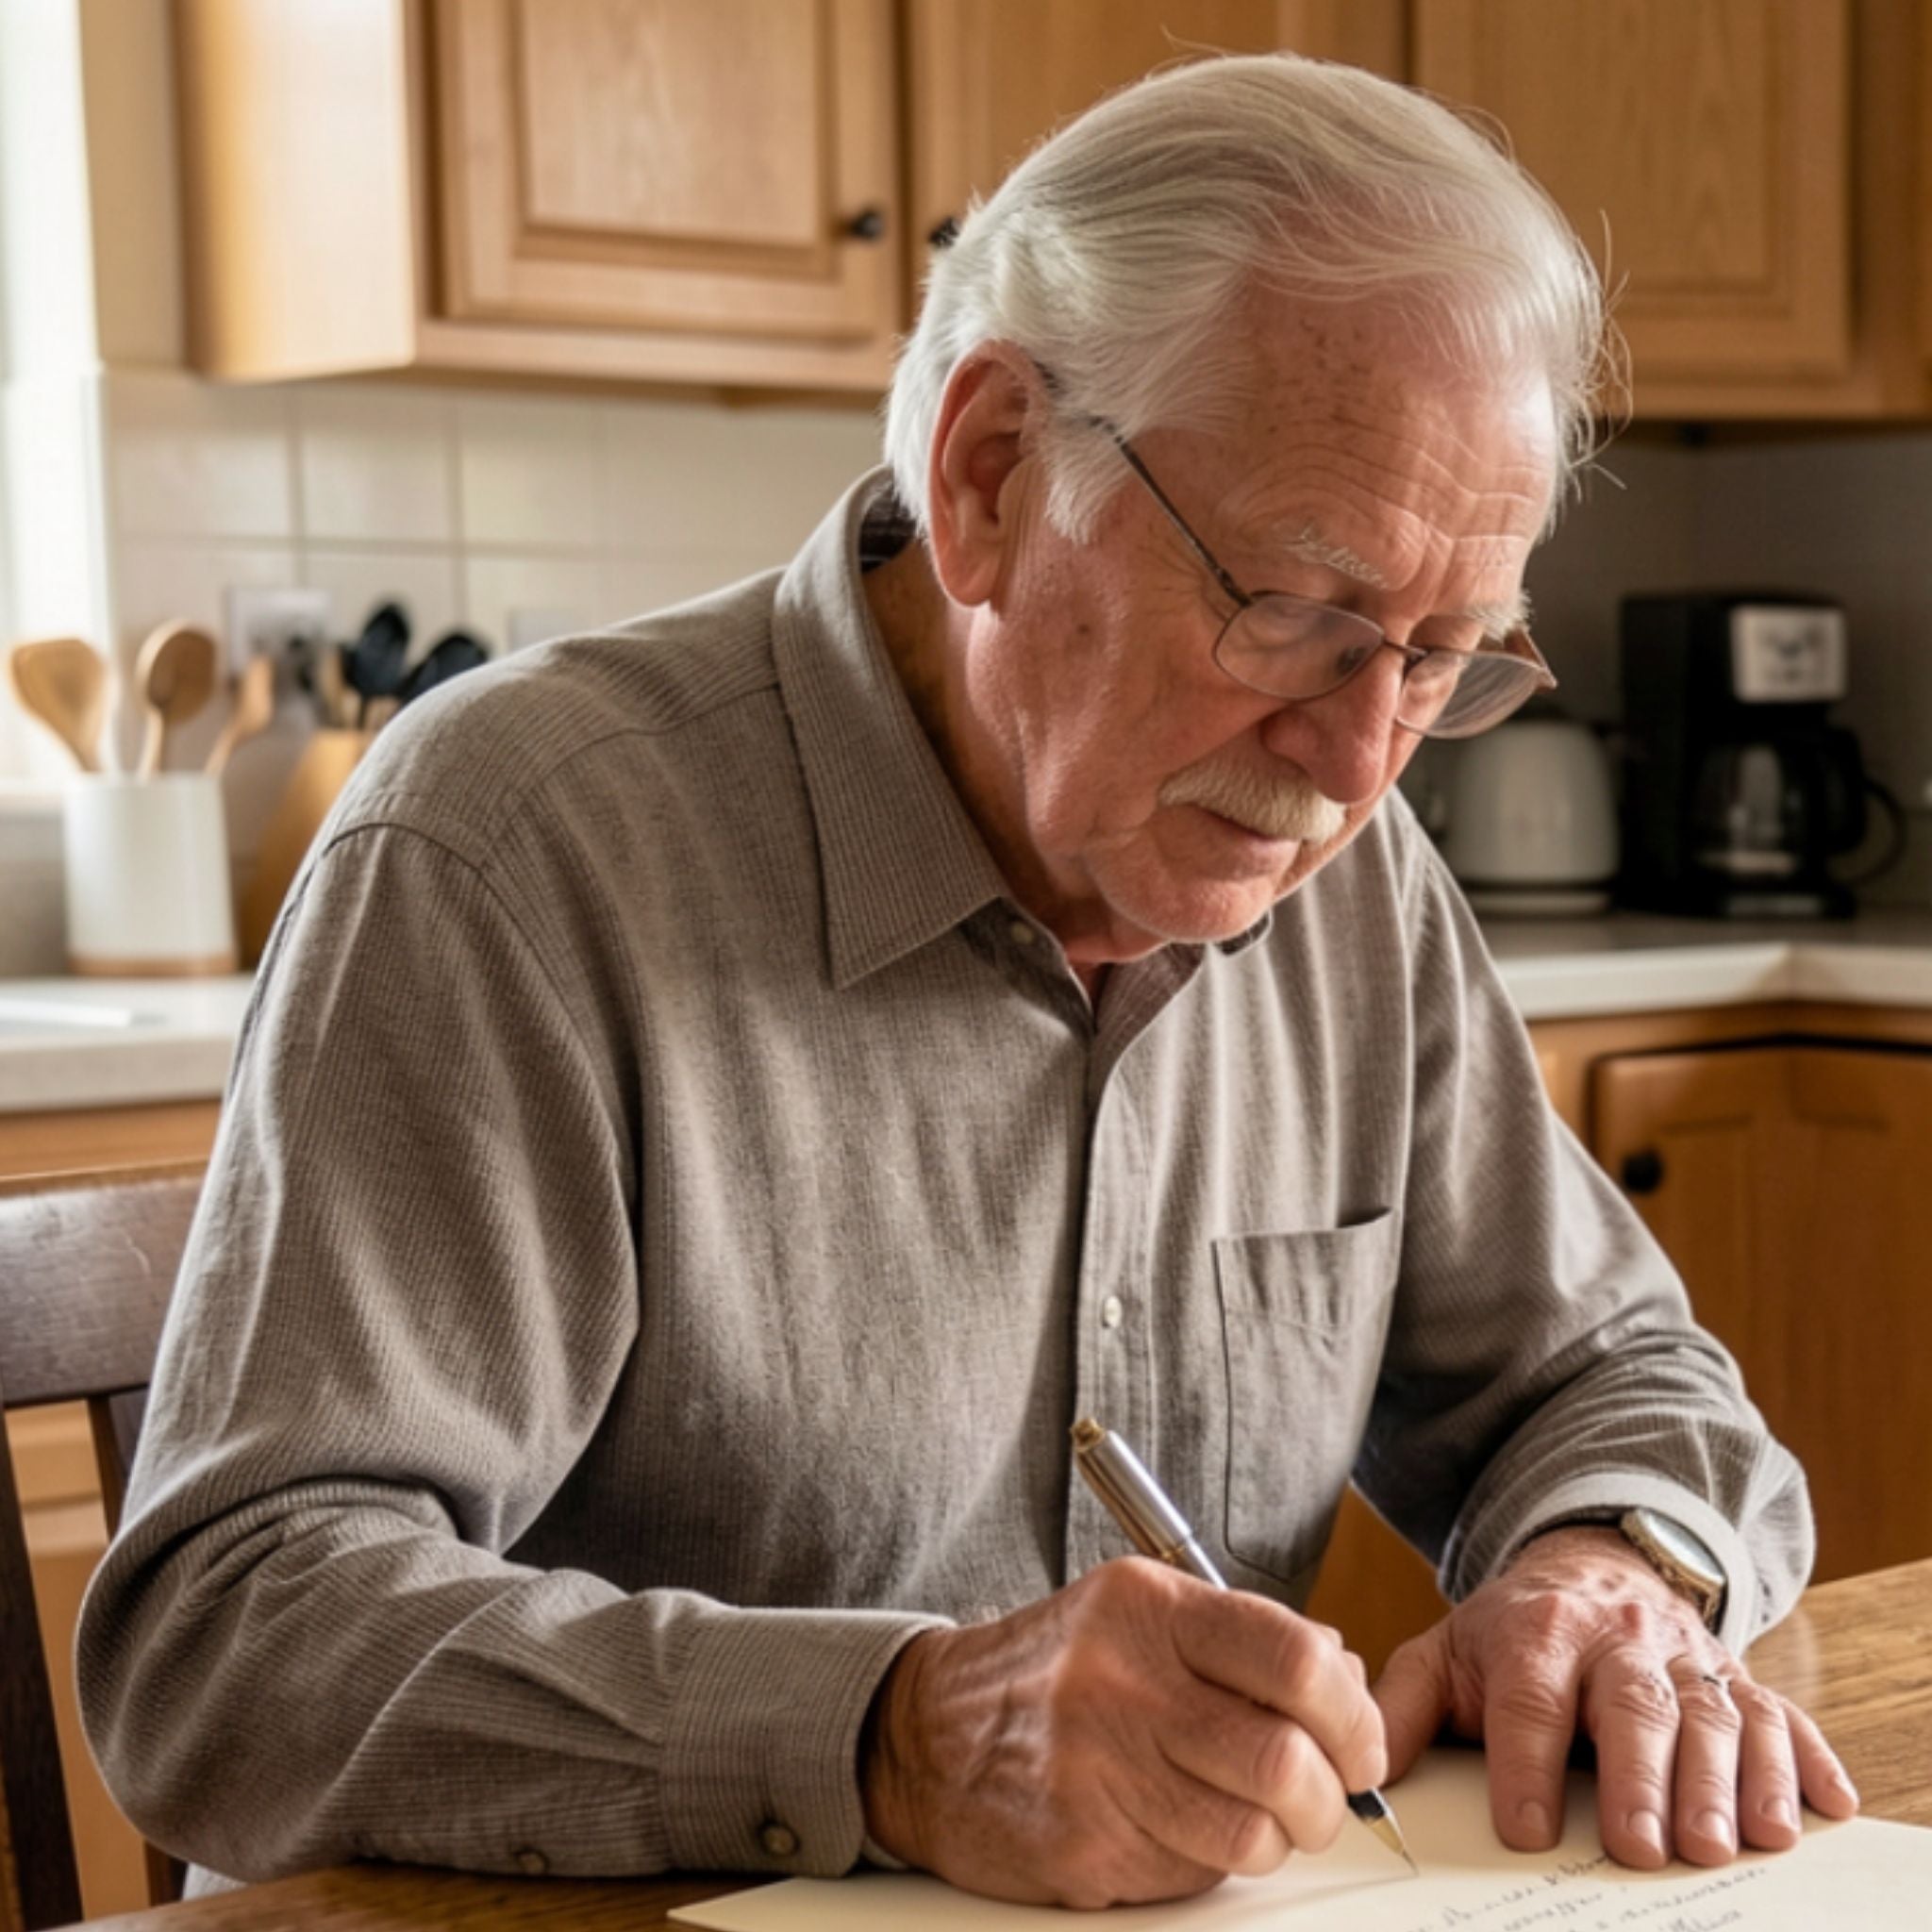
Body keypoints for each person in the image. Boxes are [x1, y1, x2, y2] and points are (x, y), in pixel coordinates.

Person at [78, 52, 1856, 1911]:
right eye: (1299, 616)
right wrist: (892, 1734)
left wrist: (1605, 1570)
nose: (1353, 763)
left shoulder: (1348, 878)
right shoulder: (513, 848)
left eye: (1440, 661)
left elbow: (1616, 1377)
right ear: (994, 475)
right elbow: (226, 1646)